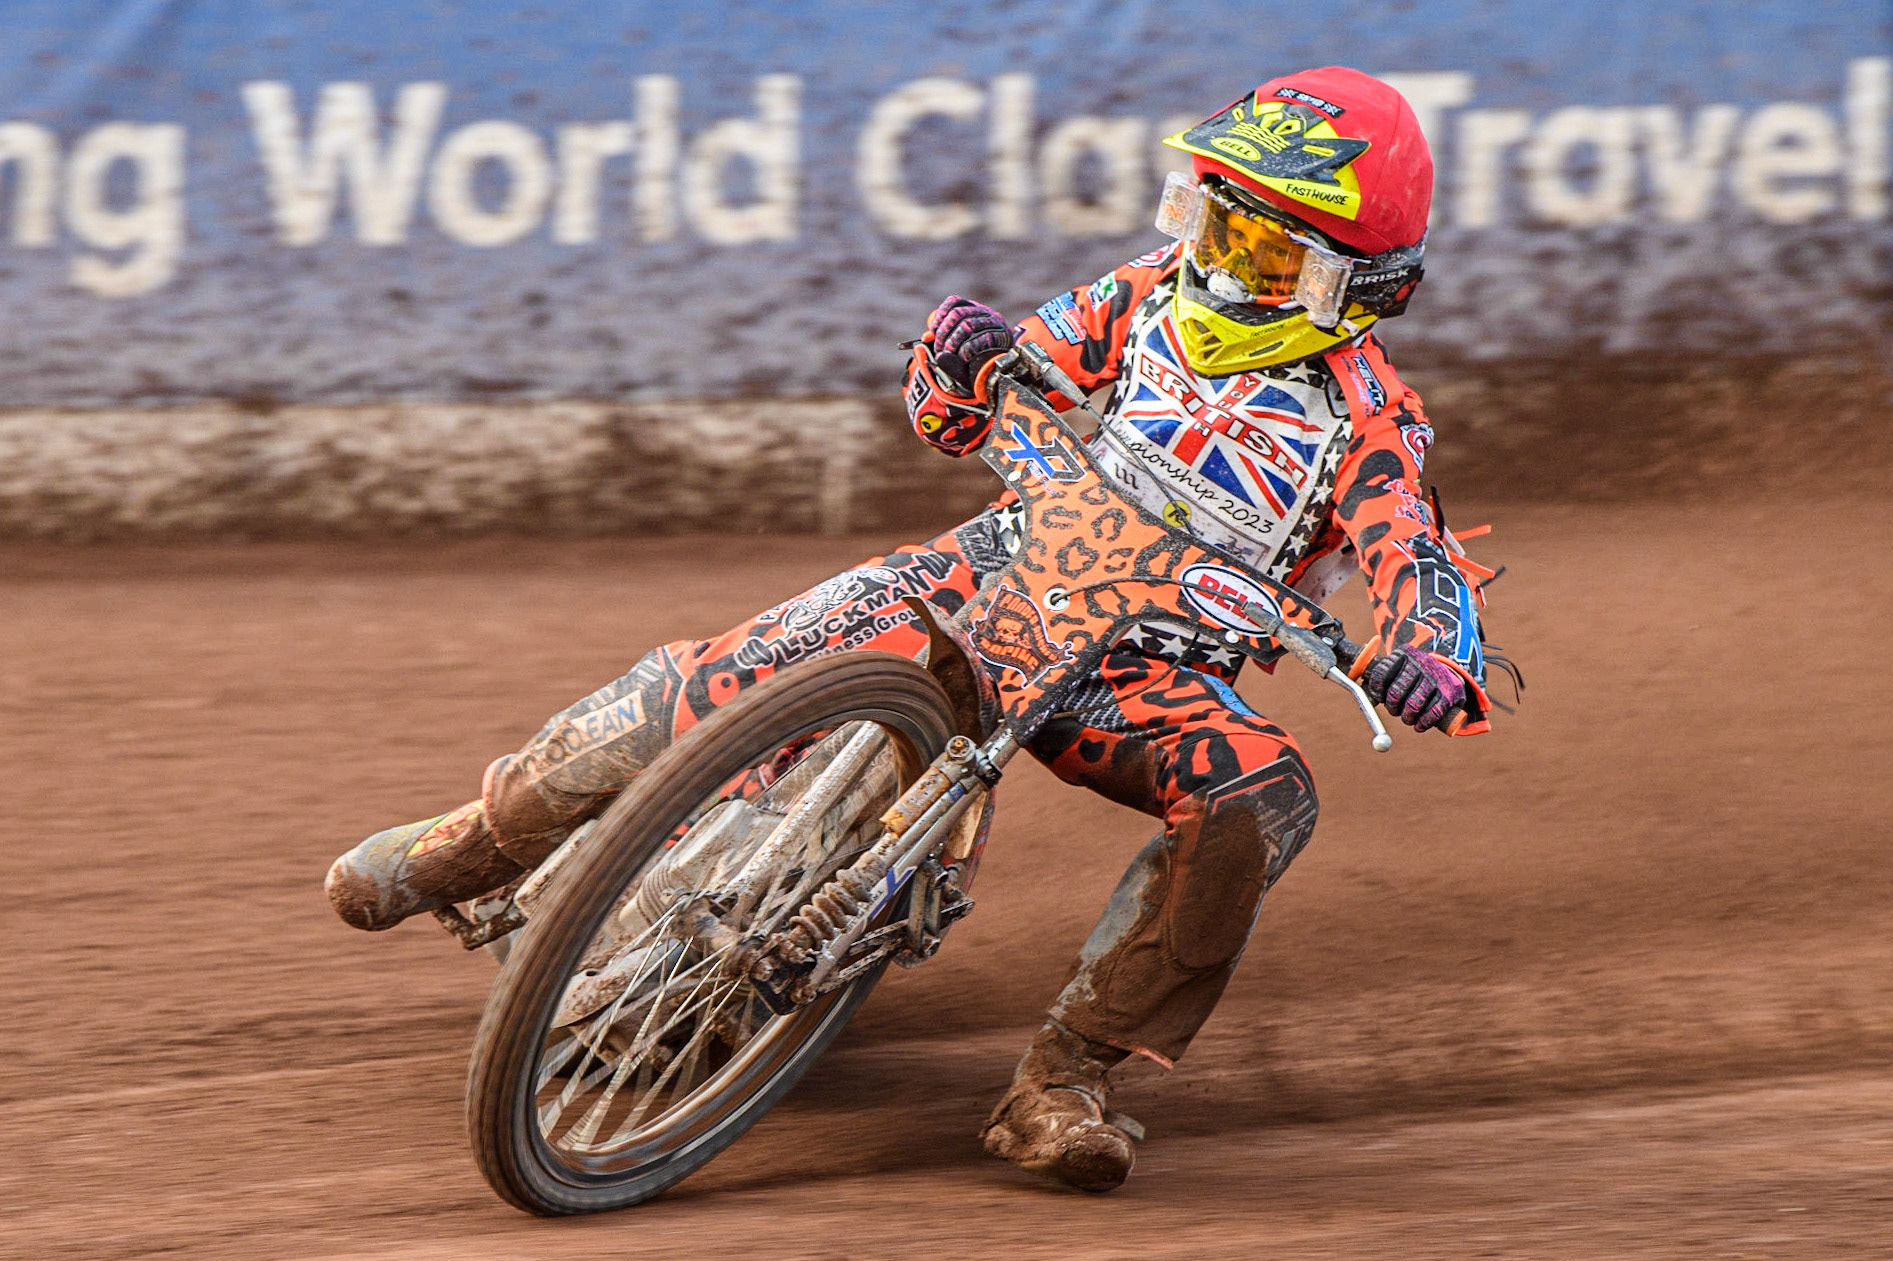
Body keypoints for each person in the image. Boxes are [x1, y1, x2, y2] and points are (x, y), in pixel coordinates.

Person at [326, 66, 1498, 1194]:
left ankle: (1066, 1080)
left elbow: (1418, 553)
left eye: (1259, 250)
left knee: (1262, 795)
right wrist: (958, 359)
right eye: (1209, 221)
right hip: (986, 573)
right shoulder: (1139, 296)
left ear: (1358, 286)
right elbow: (971, 401)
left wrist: (1435, 655)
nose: (1216, 263)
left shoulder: (1369, 423)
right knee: (714, 677)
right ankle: (472, 846)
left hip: (1136, 671)